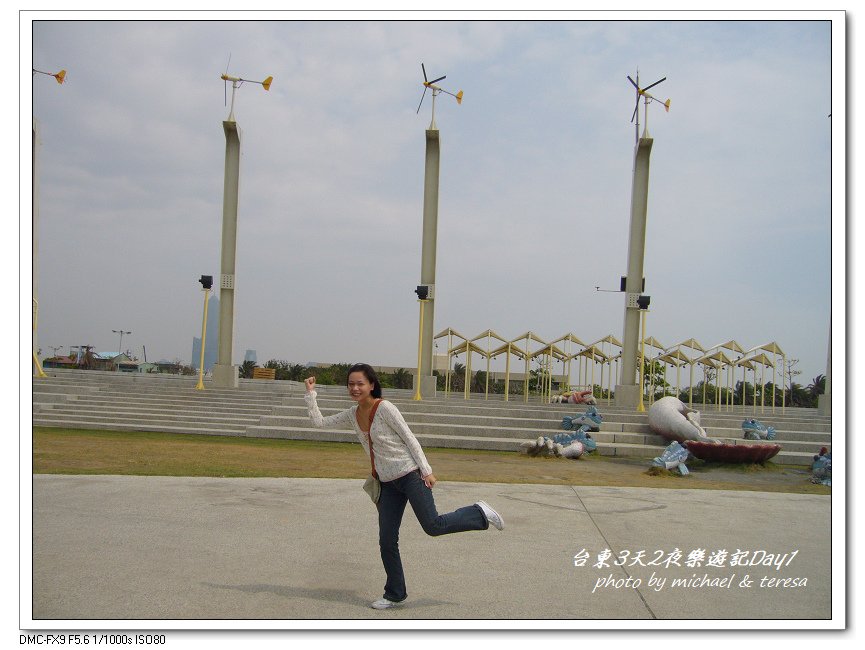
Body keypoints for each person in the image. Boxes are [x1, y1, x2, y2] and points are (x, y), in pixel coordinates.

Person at [304, 363, 504, 610]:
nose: (355, 388)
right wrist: (310, 394)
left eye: (360, 383)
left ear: (371, 385)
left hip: (410, 475)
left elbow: (410, 438)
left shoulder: (385, 408)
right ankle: (394, 593)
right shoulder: (352, 414)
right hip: (386, 484)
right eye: (351, 384)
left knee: (433, 525)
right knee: (387, 540)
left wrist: (426, 471)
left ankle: (479, 512)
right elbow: (319, 423)